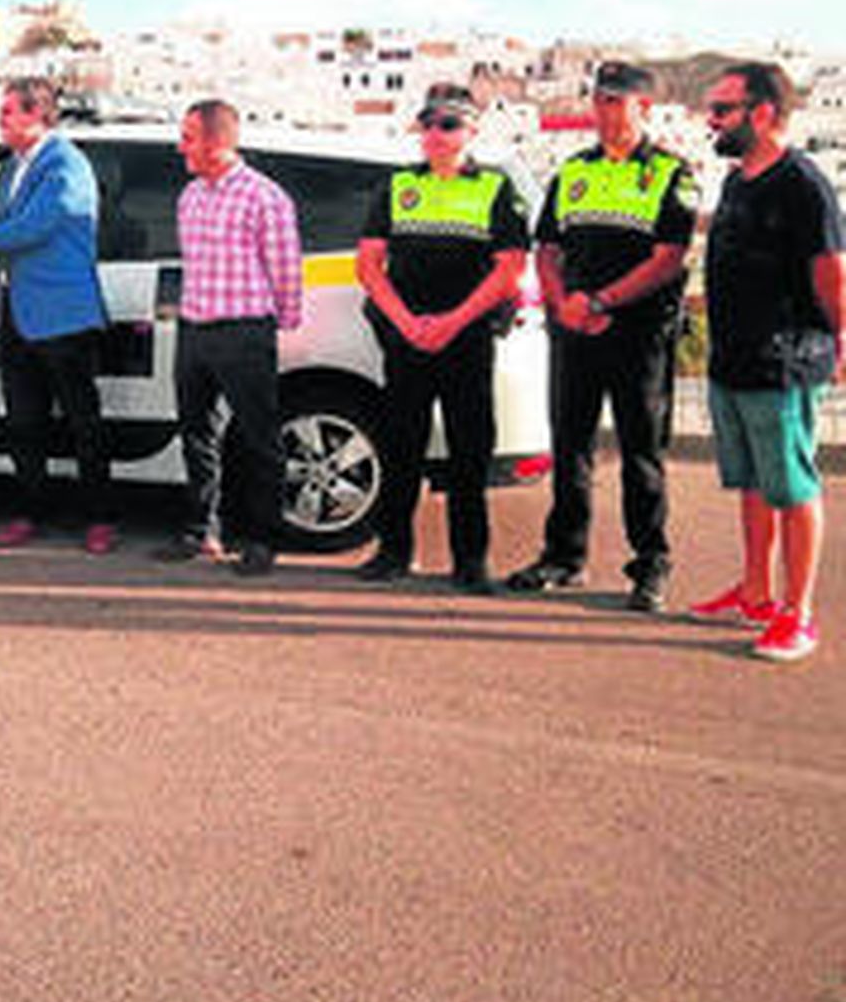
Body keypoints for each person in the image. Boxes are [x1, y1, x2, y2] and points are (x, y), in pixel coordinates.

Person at [507, 60, 696, 612]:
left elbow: (669, 258)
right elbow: (548, 249)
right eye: (599, 101)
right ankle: (564, 557)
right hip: (574, 330)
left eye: (616, 102)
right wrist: (562, 300)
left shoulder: (670, 173)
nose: (604, 112)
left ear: (644, 108)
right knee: (570, 446)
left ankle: (650, 566)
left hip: (637, 333)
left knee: (642, 453)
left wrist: (602, 300)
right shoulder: (573, 171)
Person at [689, 62, 843, 662]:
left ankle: (797, 613)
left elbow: (831, 272)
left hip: (783, 362)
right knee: (752, 482)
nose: (711, 121)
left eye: (722, 110)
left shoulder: (803, 183)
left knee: (793, 486)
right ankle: (755, 590)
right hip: (732, 362)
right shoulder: (737, 180)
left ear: (762, 113)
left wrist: (843, 337)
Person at [355, 85, 529, 594]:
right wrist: (406, 322)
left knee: (470, 453)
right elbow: (369, 264)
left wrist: (452, 322)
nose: (435, 134)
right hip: (406, 337)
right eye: (428, 124)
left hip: (467, 338)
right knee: (400, 446)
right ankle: (392, 552)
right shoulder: (397, 185)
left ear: (471, 131)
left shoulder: (495, 188)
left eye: (448, 125)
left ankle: (470, 562)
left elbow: (509, 270)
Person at [0, 78, 117, 555]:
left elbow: (28, 230)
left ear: (38, 116)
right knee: (23, 420)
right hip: (17, 311)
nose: (2, 120)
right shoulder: (17, 165)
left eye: (10, 112)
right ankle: (31, 510)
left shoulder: (66, 165)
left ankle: (99, 517)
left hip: (63, 313)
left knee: (82, 422)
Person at [154, 98, 302, 577]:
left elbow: (285, 268)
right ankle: (202, 532)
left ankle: (263, 539)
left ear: (217, 142)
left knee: (259, 438)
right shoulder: (189, 196)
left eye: (188, 138)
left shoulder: (265, 197)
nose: (181, 148)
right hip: (195, 327)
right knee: (197, 434)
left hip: (243, 330)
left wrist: (280, 322)